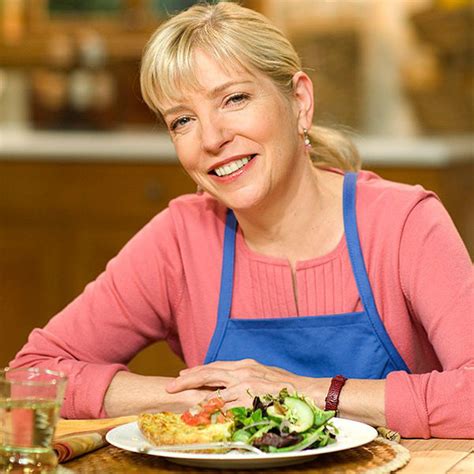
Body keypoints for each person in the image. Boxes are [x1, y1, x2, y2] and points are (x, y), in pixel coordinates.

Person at [11, 2, 472, 439]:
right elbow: (30, 374)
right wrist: (193, 399)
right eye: (183, 120)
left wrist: (303, 393)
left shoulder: (403, 224)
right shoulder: (181, 238)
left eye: (233, 98)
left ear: (299, 101)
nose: (211, 138)